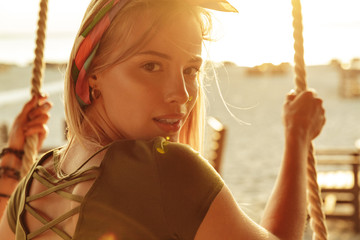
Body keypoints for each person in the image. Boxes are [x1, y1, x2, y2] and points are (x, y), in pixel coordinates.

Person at [0, 0, 326, 239]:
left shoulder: (34, 183)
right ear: (91, 73)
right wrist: (297, 139)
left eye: (191, 70)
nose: (181, 94)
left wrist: (14, 156)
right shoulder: (166, 170)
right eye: (151, 66)